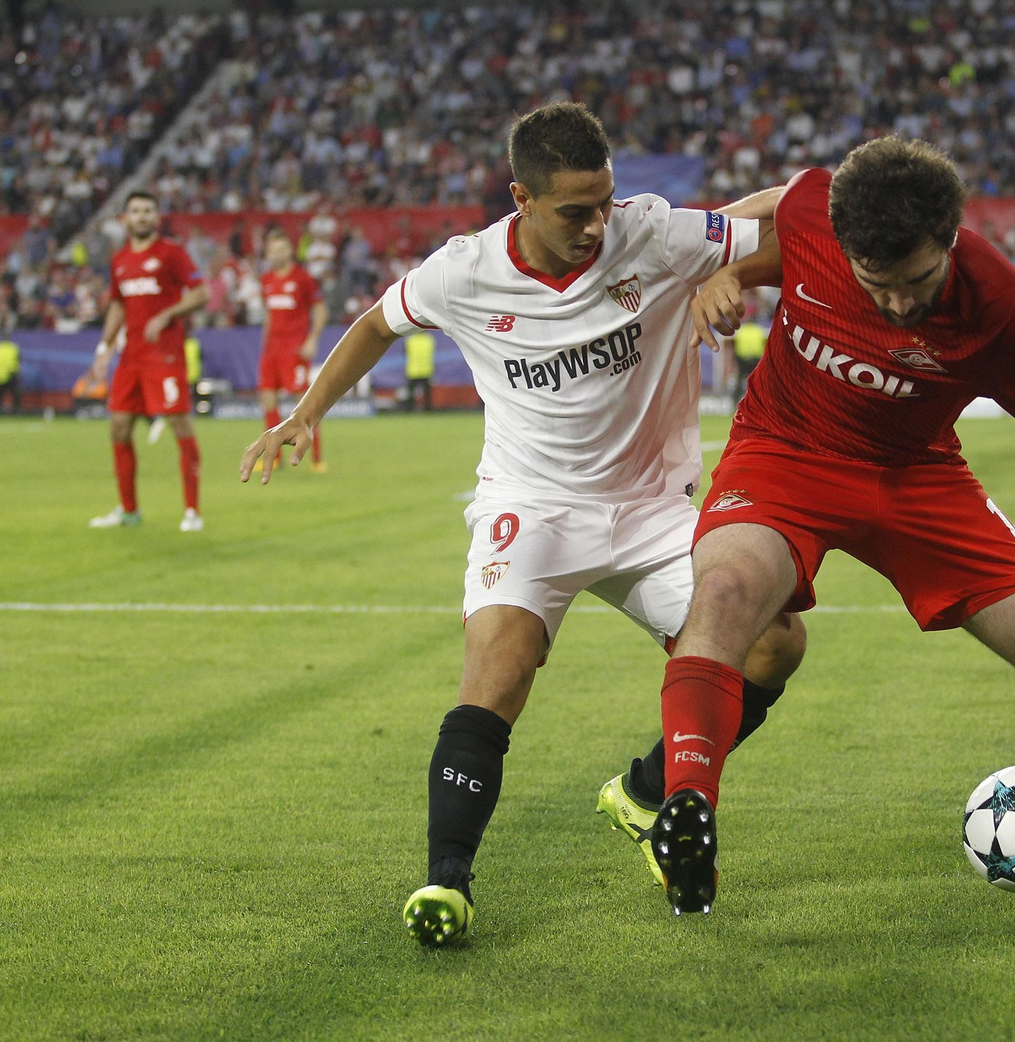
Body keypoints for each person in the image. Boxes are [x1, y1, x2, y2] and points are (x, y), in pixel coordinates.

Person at [239, 103, 806, 947]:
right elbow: (375, 324)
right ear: (522, 199)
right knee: (498, 671)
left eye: (604, 203)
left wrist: (732, 272)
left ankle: (647, 792)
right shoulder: (462, 271)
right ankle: (447, 880)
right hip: (531, 507)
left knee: (774, 642)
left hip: (651, 509)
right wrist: (305, 413)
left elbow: (793, 219)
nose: (596, 226)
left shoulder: (652, 232)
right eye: (575, 211)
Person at [645, 138, 1015, 918]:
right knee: (722, 591)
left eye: (917, 281)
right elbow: (754, 212)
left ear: (951, 238)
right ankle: (687, 813)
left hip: (917, 476)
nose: (897, 304)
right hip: (784, 453)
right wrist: (712, 269)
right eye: (876, 284)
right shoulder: (815, 209)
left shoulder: (1004, 307)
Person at [87, 192, 207, 532]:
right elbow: (117, 305)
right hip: (132, 357)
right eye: (135, 211)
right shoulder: (120, 259)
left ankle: (192, 511)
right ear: (125, 218)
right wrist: (104, 349)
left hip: (165, 355)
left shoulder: (172, 253)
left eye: (148, 211)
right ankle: (129, 511)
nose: (142, 216)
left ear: (156, 217)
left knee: (180, 425)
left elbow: (201, 293)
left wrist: (167, 314)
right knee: (118, 427)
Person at [256, 227, 329, 472]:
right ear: (268, 253)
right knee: (268, 400)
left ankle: (316, 459)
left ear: (290, 251)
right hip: (272, 351)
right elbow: (269, 315)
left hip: (294, 350)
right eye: (273, 250)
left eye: (282, 249)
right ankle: (275, 458)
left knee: (304, 405)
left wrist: (312, 339)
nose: (277, 254)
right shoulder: (266, 280)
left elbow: (320, 310)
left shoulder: (302, 278)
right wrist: (265, 346)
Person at [731, 312, 767, 399]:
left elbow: (736, 347)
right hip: (756, 361)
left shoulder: (741, 330)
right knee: (760, 379)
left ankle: (735, 398)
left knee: (740, 378)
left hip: (742, 361)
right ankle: (762, 396)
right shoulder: (759, 330)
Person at [404, 329, 435, 411]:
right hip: (424, 370)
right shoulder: (429, 339)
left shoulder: (410, 339)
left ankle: (411, 409)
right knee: (426, 393)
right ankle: (426, 410)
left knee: (415, 393)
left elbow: (405, 352)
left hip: (416, 370)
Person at [0, 326, 18, 412]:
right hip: (11, 375)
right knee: (15, 393)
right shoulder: (14, 348)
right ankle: (16, 411)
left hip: (0, 376)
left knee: (1, 394)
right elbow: (18, 361)